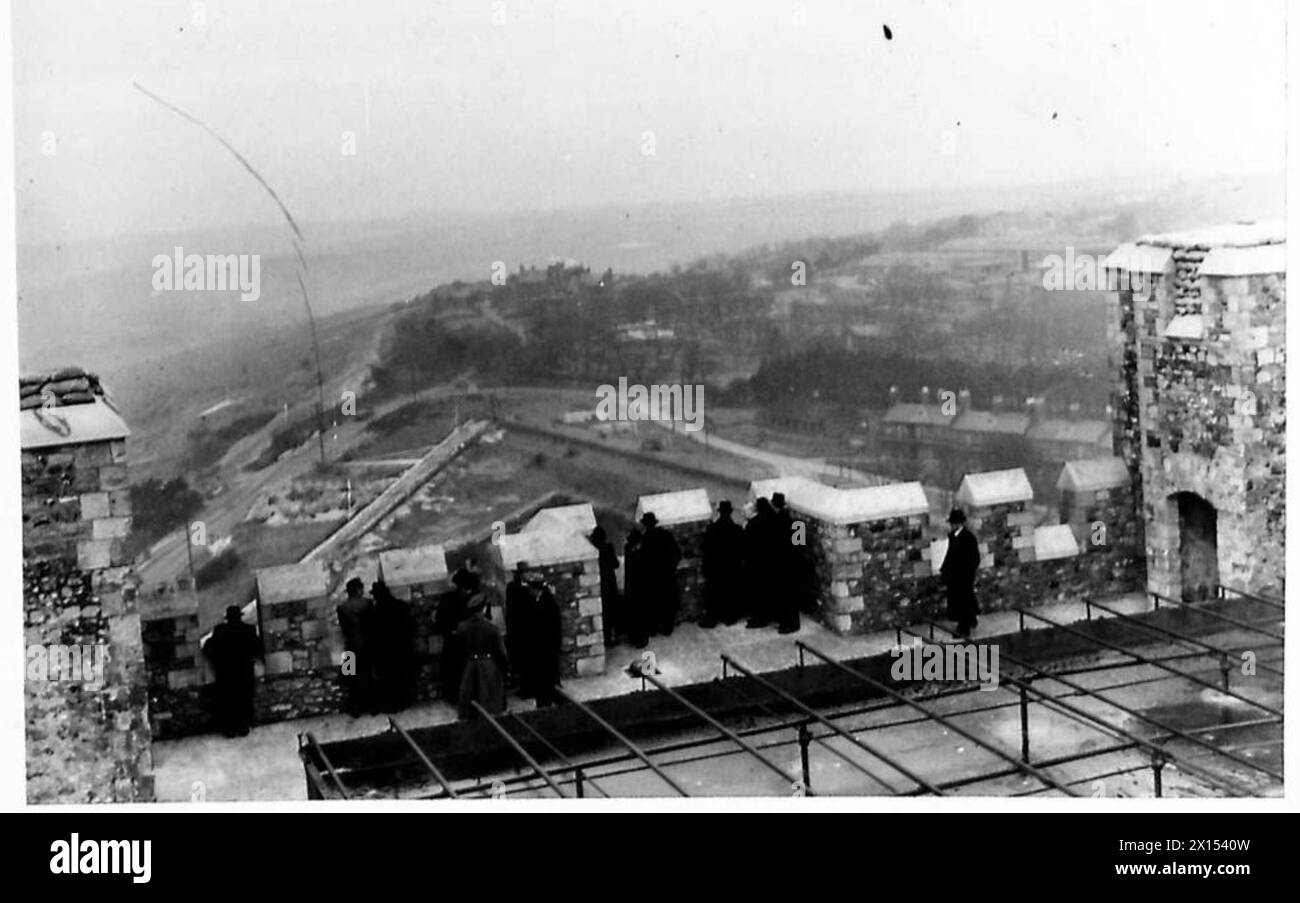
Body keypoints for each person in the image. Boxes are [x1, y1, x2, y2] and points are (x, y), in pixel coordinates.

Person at [202, 604, 263, 737]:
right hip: (244, 672)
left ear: (228, 618)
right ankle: (243, 727)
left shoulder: (220, 631)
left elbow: (208, 648)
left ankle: (229, 729)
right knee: (244, 699)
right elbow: (258, 649)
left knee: (227, 700)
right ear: (239, 616)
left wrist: (217, 662)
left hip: (226, 673)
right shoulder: (249, 630)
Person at [455, 591, 509, 721]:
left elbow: (459, 651)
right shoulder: (491, 627)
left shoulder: (462, 627)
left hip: (470, 666)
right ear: (484, 608)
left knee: (470, 702)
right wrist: (506, 669)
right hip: (489, 667)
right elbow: (501, 652)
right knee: (491, 701)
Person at [370, 580, 416, 713]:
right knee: (401, 676)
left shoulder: (375, 612)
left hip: (384, 651)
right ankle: (403, 701)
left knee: (387, 679)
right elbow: (411, 627)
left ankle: (390, 704)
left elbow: (372, 635)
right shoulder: (401, 606)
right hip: (402, 648)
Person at [701, 499, 745, 627]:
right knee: (730, 592)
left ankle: (712, 619)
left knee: (714, 593)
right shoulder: (737, 529)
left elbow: (705, 548)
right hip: (732, 566)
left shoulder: (712, 529)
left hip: (715, 567)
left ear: (719, 512)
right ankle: (729, 617)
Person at [336, 577, 376, 717]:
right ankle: (372, 707)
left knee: (351, 678)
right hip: (368, 645)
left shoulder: (342, 608)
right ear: (359, 590)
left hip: (351, 645)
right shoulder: (369, 604)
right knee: (369, 675)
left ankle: (355, 709)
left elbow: (344, 629)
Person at [435, 568, 476, 701]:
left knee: (454, 672)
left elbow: (439, 621)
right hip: (468, 642)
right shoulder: (473, 600)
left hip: (453, 641)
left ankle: (455, 696)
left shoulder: (447, 598)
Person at [523, 574, 563, 707]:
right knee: (543, 684)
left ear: (536, 589)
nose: (528, 591)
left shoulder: (548, 605)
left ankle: (547, 706)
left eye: (530, 587)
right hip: (541, 651)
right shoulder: (537, 602)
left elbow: (554, 631)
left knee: (547, 683)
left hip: (546, 651)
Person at [639, 511, 682, 636]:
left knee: (654, 603)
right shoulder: (666, 535)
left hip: (653, 578)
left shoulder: (646, 539)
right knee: (668, 602)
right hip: (667, 575)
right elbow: (677, 554)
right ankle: (667, 628)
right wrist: (671, 568)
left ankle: (654, 628)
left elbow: (642, 561)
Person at [940, 508, 981, 637]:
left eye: (954, 523)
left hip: (964, 576)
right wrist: (945, 570)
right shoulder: (953, 536)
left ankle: (963, 628)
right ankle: (971, 619)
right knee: (961, 600)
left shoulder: (969, 538)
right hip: (954, 576)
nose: (952, 525)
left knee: (963, 601)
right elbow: (950, 555)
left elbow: (975, 558)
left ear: (959, 523)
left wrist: (967, 573)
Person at [745, 498, 781, 629]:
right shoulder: (777, 520)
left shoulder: (754, 524)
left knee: (759, 593)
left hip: (757, 564)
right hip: (772, 563)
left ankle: (760, 619)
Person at [770, 492, 803, 635]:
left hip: (782, 563)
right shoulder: (794, 522)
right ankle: (793, 623)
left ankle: (787, 624)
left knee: (784, 595)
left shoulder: (776, 522)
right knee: (792, 595)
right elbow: (799, 543)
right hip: (793, 563)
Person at [589, 525, 622, 646]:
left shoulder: (594, 550)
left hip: (600, 584)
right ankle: (613, 636)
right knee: (612, 610)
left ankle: (606, 638)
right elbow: (616, 564)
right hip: (610, 582)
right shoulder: (608, 548)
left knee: (604, 612)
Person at [504, 562, 534, 689]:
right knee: (520, 659)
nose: (527, 575)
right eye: (524, 572)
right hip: (518, 628)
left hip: (530, 628)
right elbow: (512, 608)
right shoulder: (512, 587)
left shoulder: (532, 587)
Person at [622, 526, 649, 648]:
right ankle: (639, 639)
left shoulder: (629, 550)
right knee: (639, 614)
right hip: (638, 588)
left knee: (636, 614)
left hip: (633, 587)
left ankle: (637, 638)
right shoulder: (639, 552)